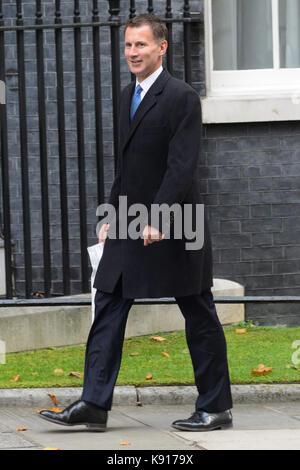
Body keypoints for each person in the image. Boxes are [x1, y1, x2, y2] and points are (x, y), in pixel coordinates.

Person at [38, 14, 233, 432]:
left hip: (178, 223)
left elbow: (181, 167)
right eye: (128, 45)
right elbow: (127, 168)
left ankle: (216, 406)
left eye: (140, 45)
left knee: (198, 312)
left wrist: (160, 216)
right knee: (107, 302)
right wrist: (111, 215)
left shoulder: (182, 97)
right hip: (129, 222)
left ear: (161, 47)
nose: (132, 53)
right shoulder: (127, 95)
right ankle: (94, 402)